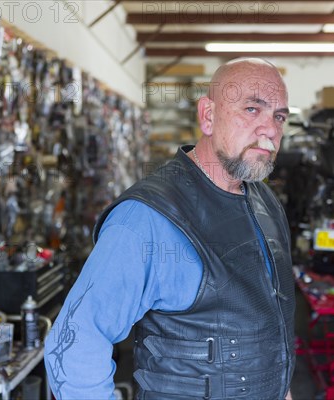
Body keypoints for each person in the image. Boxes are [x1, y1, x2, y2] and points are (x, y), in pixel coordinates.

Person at [44, 58, 295, 399]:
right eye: (252, 109)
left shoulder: (265, 201)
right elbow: (75, 343)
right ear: (208, 115)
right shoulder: (148, 217)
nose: (269, 130)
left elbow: (270, 329)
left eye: (279, 116)